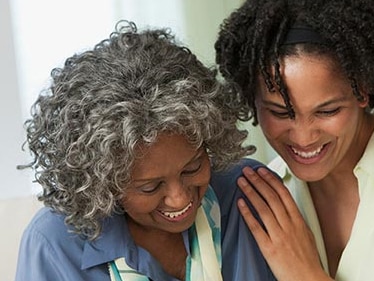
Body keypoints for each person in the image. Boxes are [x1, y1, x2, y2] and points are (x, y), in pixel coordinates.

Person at [215, 0, 374, 280]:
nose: (304, 136)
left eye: (327, 111)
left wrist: (307, 275)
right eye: (279, 112)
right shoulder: (269, 192)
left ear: (363, 90)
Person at [15, 20, 274, 281]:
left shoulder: (249, 195)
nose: (179, 198)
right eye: (150, 187)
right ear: (103, 183)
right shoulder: (53, 245)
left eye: (192, 168)